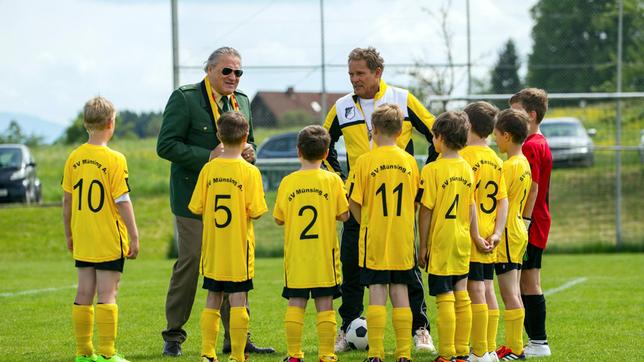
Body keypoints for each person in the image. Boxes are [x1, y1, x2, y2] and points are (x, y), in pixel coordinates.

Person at [157, 46, 274, 356]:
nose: (233, 76)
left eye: (238, 72)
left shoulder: (244, 101)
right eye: (226, 70)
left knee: (233, 266)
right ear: (208, 70)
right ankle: (173, 336)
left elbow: (251, 142)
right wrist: (205, 157)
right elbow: (166, 145)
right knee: (192, 261)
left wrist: (251, 152)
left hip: (234, 202)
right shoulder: (185, 98)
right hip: (193, 200)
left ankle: (237, 339)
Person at [323, 46, 437, 353]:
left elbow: (437, 133)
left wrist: (425, 178)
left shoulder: (402, 99)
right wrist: (339, 178)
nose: (354, 80)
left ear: (377, 73)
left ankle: (420, 329)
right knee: (351, 267)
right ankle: (348, 328)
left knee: (407, 270)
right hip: (357, 203)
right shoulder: (342, 105)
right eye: (350, 74)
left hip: (396, 209)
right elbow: (321, 143)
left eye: (360, 73)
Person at [62, 96, 140, 362]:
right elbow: (123, 201)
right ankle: (107, 353)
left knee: (84, 291)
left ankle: (83, 353)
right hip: (108, 236)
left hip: (83, 234)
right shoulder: (115, 159)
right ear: (111, 123)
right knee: (108, 293)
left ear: (85, 123)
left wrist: (69, 233)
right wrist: (134, 235)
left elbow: (67, 200)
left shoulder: (74, 157)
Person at [187, 112, 268, 362]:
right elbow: (256, 211)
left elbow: (196, 206)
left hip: (213, 247)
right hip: (238, 248)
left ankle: (208, 353)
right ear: (246, 138)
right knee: (238, 299)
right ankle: (236, 355)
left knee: (212, 298)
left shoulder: (208, 169)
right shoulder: (249, 172)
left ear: (219, 136)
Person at [347, 104, 420, 362]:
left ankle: (376, 354)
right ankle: (403, 354)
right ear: (400, 131)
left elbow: (353, 200)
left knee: (377, 291)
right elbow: (414, 200)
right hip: (402, 237)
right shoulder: (410, 161)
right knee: (400, 291)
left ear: (373, 130)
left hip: (374, 237)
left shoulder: (364, 161)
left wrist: (364, 221)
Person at [273, 125, 350, 362]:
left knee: (296, 302)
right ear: (326, 153)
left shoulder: (288, 182)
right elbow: (345, 215)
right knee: (324, 303)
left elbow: (279, 218)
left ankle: (294, 355)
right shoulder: (333, 180)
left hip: (297, 256)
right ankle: (326, 354)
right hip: (324, 256)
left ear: (298, 151)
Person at [417, 111, 484, 362]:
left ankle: (445, 353)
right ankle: (462, 351)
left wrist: (422, 245)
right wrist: (475, 235)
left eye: (433, 136)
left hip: (442, 239)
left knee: (444, 296)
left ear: (440, 137)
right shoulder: (467, 168)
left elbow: (426, 211)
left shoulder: (432, 170)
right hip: (462, 238)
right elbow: (470, 206)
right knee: (461, 294)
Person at [461, 102, 508, 362]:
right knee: (488, 289)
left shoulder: (465, 158)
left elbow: (469, 202)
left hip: (473, 236)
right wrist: (498, 232)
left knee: (475, 290)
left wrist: (476, 235)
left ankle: (478, 351)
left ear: (467, 126)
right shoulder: (496, 159)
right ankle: (488, 348)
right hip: (491, 235)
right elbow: (503, 200)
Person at [509, 88, 553, 358]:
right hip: (535, 220)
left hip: (532, 222)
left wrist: (523, 220)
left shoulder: (532, 145)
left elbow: (533, 187)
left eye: (515, 112)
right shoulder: (537, 142)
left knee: (529, 282)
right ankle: (535, 341)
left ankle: (538, 342)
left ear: (532, 115)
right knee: (527, 281)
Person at [492, 108, 533, 361]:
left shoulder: (509, 166)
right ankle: (512, 346)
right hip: (518, 229)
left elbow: (500, 200)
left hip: (507, 232)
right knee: (513, 292)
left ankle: (516, 349)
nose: (494, 139)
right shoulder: (523, 162)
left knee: (509, 294)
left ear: (507, 135)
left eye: (496, 134)